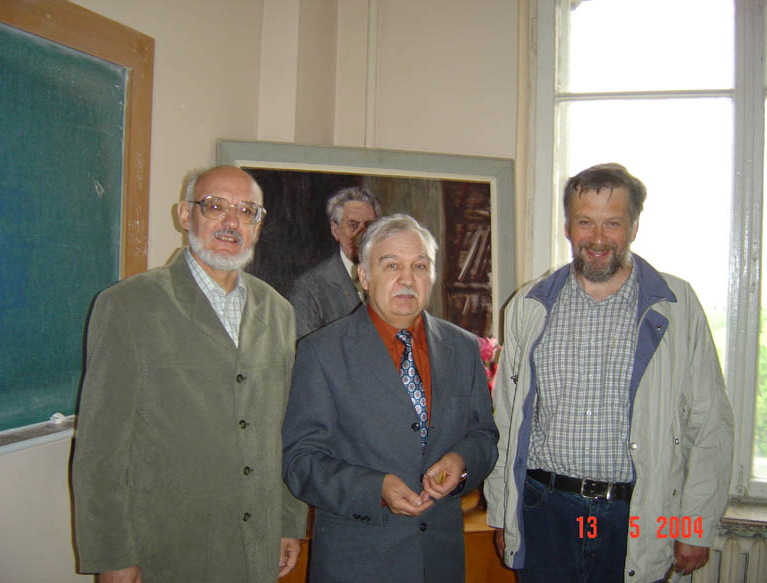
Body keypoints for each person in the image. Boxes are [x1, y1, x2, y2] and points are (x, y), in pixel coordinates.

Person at [484, 163, 734, 583]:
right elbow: (506, 421)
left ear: (633, 227)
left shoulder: (677, 305)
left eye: (612, 223)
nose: (598, 239)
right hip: (545, 511)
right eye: (585, 222)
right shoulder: (529, 306)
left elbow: (709, 424)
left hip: (635, 515)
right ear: (568, 227)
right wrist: (501, 513)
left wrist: (695, 527)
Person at [72, 165, 308, 583]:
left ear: (258, 225)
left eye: (247, 211)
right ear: (185, 214)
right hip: (167, 550)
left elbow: (284, 430)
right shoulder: (128, 306)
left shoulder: (279, 312)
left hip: (257, 549)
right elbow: (99, 449)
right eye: (215, 206)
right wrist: (112, 555)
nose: (231, 222)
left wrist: (289, 519)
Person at [282, 213, 499, 583]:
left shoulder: (463, 348)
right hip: (358, 565)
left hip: (440, 563)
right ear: (364, 277)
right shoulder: (321, 352)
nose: (407, 279)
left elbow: (484, 437)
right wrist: (375, 489)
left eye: (420, 266)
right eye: (392, 265)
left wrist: (461, 463)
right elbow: (300, 461)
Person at [288, 186, 381, 339]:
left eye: (369, 226)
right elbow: (304, 348)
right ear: (335, 230)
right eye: (353, 225)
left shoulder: (389, 278)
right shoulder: (309, 287)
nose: (363, 234)